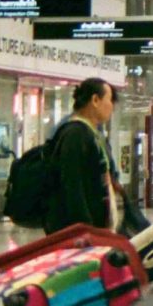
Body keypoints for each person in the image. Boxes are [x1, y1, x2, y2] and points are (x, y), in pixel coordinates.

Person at [49, 78, 123, 233]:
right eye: (109, 100)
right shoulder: (75, 134)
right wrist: (84, 229)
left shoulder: (91, 133)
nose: (112, 107)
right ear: (95, 100)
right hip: (80, 233)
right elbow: (73, 185)